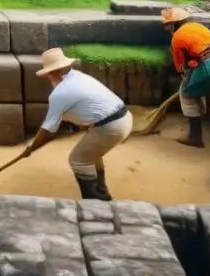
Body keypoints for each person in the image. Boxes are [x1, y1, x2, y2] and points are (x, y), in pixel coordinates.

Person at [20, 48, 133, 200]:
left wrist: (31, 148)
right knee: (92, 154)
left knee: (79, 160)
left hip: (111, 127)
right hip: (124, 118)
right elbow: (60, 124)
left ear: (52, 73)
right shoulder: (80, 77)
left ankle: (95, 200)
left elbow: (48, 129)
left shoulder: (60, 94)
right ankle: (101, 190)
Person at [162, 7, 210, 148]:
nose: (167, 28)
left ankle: (195, 137)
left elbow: (180, 68)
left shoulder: (177, 38)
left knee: (187, 95)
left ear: (175, 23)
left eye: (168, 25)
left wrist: (186, 81)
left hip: (208, 68)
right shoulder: (198, 26)